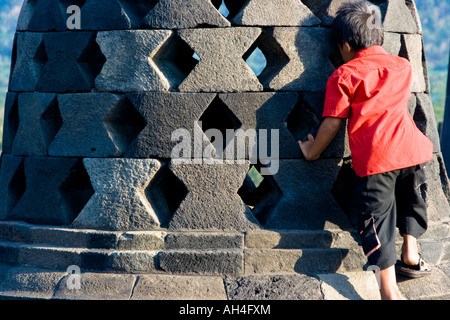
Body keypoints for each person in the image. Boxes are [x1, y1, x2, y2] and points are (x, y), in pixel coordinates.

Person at [298, 0, 433, 300]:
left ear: (345, 45)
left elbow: (332, 123)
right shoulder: (402, 66)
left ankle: (388, 290)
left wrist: (312, 151)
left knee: (377, 220)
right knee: (412, 197)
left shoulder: (344, 75)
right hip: (412, 149)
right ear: (380, 36)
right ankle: (411, 253)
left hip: (379, 158)